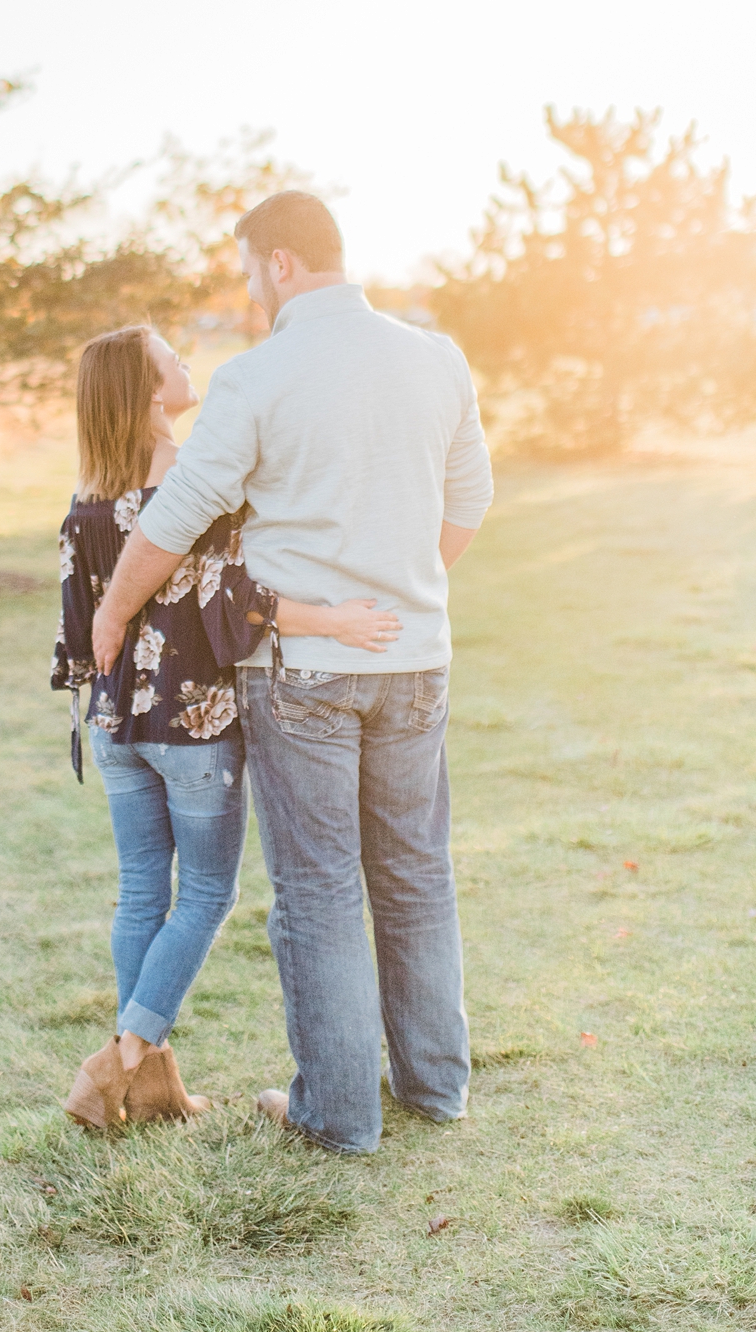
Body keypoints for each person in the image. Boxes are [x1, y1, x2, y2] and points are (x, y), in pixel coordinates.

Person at [91, 195, 494, 1155]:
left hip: (304, 672)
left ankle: (338, 1113)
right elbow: (470, 499)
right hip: (415, 655)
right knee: (416, 875)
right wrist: (405, 586)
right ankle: (435, 1089)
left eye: (245, 269)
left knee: (318, 891)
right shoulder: (436, 358)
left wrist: (110, 610)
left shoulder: (259, 376)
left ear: (278, 263)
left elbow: (178, 512)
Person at [52, 322, 402, 1129]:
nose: (183, 360)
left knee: (142, 890)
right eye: (168, 355)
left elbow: (78, 619)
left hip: (116, 725)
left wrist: (94, 689)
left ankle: (150, 1088)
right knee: (207, 892)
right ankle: (119, 1062)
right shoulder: (186, 478)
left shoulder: (88, 492)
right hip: (190, 725)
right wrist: (334, 621)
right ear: (147, 391)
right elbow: (230, 598)